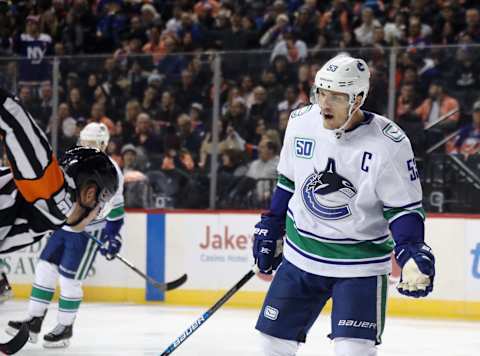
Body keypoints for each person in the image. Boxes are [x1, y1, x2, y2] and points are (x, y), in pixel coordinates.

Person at [252, 55, 435, 356]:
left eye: (336, 96)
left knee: (353, 352)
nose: (325, 103)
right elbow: (288, 181)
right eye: (321, 92)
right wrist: (272, 225)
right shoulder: (300, 123)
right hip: (302, 257)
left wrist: (412, 250)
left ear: (359, 98)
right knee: (270, 346)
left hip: (359, 266)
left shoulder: (389, 143)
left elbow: (403, 208)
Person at [5, 123, 124, 348]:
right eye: (85, 141)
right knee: (44, 268)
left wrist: (112, 236)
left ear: (103, 144)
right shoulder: (76, 161)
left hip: (88, 232)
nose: (87, 146)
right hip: (64, 227)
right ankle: (34, 320)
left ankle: (65, 328)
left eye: (93, 142)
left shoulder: (111, 171)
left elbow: (116, 209)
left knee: (69, 280)